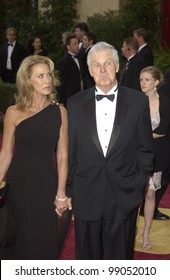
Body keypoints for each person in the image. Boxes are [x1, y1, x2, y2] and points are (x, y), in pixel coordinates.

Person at [66, 42, 154, 260]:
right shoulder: (75, 103)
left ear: (116, 66)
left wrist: (137, 182)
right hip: (86, 193)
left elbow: (145, 149)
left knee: (120, 260)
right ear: (89, 70)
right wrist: (69, 189)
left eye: (107, 64)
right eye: (96, 65)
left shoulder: (137, 102)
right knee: (88, 260)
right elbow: (71, 150)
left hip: (124, 194)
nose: (102, 70)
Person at [0, 55, 69, 259]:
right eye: (40, 76)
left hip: (46, 184)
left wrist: (61, 194)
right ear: (28, 80)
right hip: (18, 185)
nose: (47, 80)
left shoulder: (60, 112)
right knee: (17, 239)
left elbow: (63, 155)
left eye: (48, 75)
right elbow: (5, 154)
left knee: (43, 239)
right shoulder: (14, 112)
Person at [139, 66, 170, 250]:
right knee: (134, 195)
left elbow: (162, 131)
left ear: (156, 82)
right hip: (134, 155)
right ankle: (130, 228)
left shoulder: (165, 102)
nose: (143, 83)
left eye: (147, 80)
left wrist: (139, 135)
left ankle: (146, 232)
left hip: (156, 156)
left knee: (150, 194)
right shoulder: (134, 101)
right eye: (141, 80)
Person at [57, 34, 85, 107]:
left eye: (78, 44)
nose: (77, 46)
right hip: (70, 97)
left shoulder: (79, 58)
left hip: (81, 94)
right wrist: (61, 101)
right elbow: (61, 82)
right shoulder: (64, 61)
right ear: (68, 46)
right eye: (74, 44)